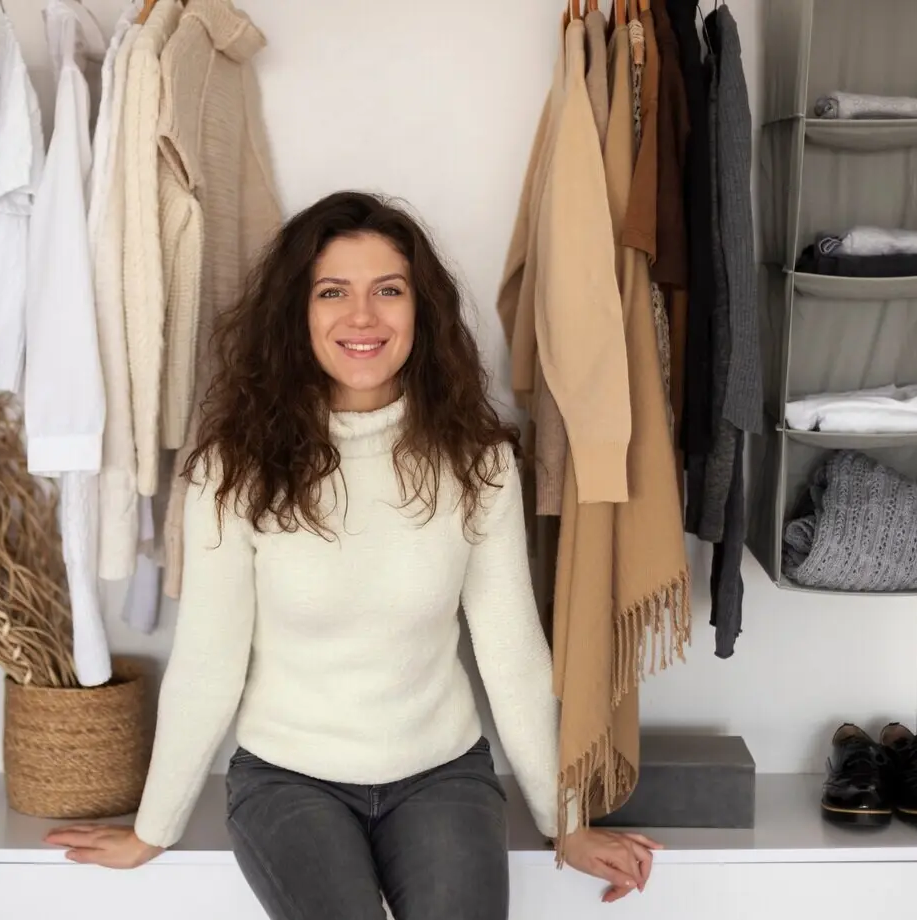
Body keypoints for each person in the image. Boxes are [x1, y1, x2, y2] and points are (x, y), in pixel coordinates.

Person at [44, 191, 660, 915]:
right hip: (288, 780)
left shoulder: (478, 463)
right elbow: (207, 662)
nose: (362, 317)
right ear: (297, 315)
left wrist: (567, 824)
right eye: (332, 291)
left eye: (388, 291)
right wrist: (153, 829)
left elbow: (513, 655)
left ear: (419, 311)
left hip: (441, 774)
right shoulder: (234, 469)